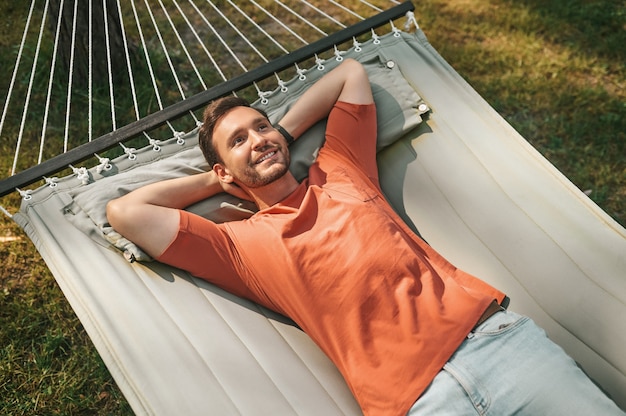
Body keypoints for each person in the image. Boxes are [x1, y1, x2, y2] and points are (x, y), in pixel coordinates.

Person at [106, 59, 624, 415]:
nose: (258, 139)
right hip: (414, 404)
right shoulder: (237, 248)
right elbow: (127, 211)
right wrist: (222, 176)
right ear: (222, 171)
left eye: (260, 127)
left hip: (496, 347)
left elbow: (350, 75)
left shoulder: (341, 168)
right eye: (238, 140)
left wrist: (277, 135)